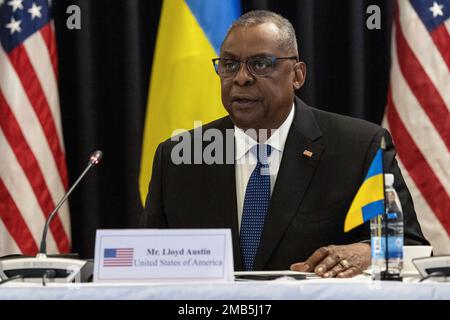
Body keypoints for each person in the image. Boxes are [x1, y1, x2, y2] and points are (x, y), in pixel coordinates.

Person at [140, 10, 428, 278]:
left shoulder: (359, 147)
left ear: (297, 75)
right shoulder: (178, 157)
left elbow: (410, 246)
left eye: (260, 64)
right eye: (229, 65)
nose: (241, 78)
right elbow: (148, 260)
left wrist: (366, 252)